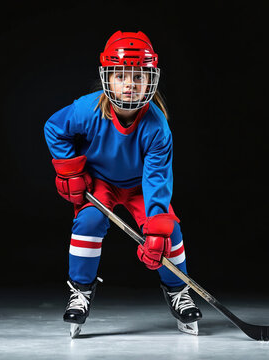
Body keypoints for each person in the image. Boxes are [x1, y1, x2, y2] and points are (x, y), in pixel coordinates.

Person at [44, 30, 202, 337]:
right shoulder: (87, 109)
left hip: (140, 187)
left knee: (168, 231)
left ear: (151, 80)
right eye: (120, 76)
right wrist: (70, 170)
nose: (129, 84)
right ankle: (81, 291)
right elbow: (54, 128)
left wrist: (157, 227)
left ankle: (178, 291)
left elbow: (156, 177)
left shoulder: (157, 127)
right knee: (88, 221)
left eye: (138, 76)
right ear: (107, 78)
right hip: (101, 182)